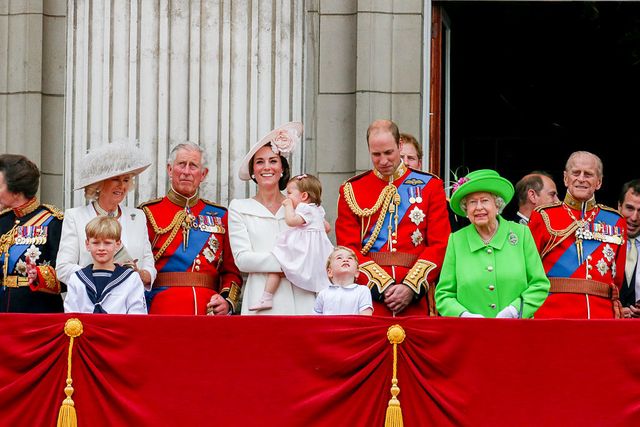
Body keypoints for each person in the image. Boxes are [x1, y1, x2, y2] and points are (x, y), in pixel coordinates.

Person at [335, 119, 451, 317]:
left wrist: (410, 286)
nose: (383, 161)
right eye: (376, 154)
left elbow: (440, 245)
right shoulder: (352, 190)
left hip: (415, 298)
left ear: (399, 146)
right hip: (368, 299)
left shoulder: (430, 186)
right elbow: (348, 248)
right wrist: (382, 286)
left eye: (388, 153)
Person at [139, 142, 242, 315]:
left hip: (208, 310)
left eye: (193, 166)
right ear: (170, 170)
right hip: (160, 309)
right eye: (181, 164)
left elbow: (232, 271)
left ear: (203, 174)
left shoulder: (220, 216)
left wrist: (226, 301)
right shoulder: (147, 213)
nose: (186, 171)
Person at [435, 169, 550, 318]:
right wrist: (464, 316)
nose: (478, 207)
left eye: (484, 200)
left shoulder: (521, 234)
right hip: (471, 335)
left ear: (497, 205)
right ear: (466, 209)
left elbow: (539, 285)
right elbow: (444, 295)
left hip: (517, 331)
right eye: (472, 202)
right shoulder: (457, 240)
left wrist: (514, 311)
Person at [230, 122, 317, 315]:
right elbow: (243, 260)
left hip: (301, 298)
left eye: (273, 161)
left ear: (283, 168)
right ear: (253, 171)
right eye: (260, 162)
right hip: (261, 300)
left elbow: (316, 250)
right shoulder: (239, 208)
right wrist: (293, 264)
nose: (266, 167)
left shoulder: (302, 208)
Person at [529, 151, 626, 319]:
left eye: (588, 174)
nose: (581, 178)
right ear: (566, 178)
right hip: (552, 314)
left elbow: (617, 279)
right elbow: (529, 270)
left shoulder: (615, 221)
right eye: (576, 173)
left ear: (599, 182)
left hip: (601, 316)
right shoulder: (543, 216)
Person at [56, 142, 157, 292]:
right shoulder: (75, 216)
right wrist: (101, 275)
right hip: (90, 300)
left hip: (129, 302)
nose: (122, 186)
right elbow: (63, 268)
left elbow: (149, 265)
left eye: (126, 180)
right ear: (99, 184)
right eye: (116, 179)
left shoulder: (138, 216)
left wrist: (140, 274)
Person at [250, 173, 333, 311]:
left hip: (302, 250)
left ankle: (266, 297)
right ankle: (323, 306)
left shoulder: (305, 208)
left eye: (289, 193)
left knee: (277, 266)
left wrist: (288, 206)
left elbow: (291, 221)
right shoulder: (318, 210)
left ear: (304, 196)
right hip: (317, 253)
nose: (287, 197)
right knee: (320, 279)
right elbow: (327, 228)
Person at [0, 154, 64, 312]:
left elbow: (67, 275)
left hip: (37, 313)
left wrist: (39, 275)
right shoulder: (3, 221)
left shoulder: (53, 222)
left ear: (16, 191)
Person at [64, 216, 146, 314]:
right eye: (96, 243)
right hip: (85, 329)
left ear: (118, 244)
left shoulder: (131, 279)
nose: (101, 248)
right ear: (87, 244)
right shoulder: (76, 279)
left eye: (107, 243)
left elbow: (137, 317)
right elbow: (71, 317)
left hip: (119, 329)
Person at [314, 246, 373, 315]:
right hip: (329, 326)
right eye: (339, 258)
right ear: (330, 272)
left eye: (350, 258)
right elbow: (316, 320)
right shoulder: (323, 294)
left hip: (353, 326)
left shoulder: (363, 291)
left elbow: (366, 319)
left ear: (357, 273)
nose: (345, 260)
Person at [617, 179, 640, 318]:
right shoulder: (599, 241)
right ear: (619, 206)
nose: (634, 217)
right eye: (630, 208)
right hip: (606, 327)